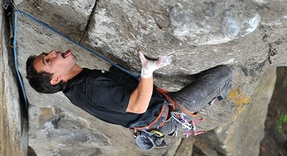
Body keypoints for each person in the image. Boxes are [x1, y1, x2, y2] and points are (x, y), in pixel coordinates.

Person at [25, 49, 232, 150]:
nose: (52, 53)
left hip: (154, 114)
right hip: (166, 116)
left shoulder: (76, 87)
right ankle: (216, 96)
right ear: (56, 79)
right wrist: (147, 71)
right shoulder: (89, 87)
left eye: (46, 54)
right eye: (47, 60)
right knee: (224, 74)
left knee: (116, 70)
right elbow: (138, 105)